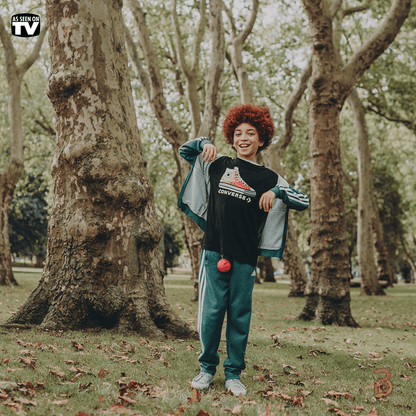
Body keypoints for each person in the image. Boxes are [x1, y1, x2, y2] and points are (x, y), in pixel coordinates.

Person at [177, 103, 309, 396]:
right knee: (210, 315)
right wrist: (205, 143)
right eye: (238, 133)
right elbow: (187, 151)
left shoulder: (270, 179)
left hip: (245, 259)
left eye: (251, 133)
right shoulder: (219, 163)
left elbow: (303, 200)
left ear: (262, 139)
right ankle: (207, 369)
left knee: (239, 316)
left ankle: (234, 373)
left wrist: (277, 192)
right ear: (231, 137)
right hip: (213, 252)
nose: (244, 138)